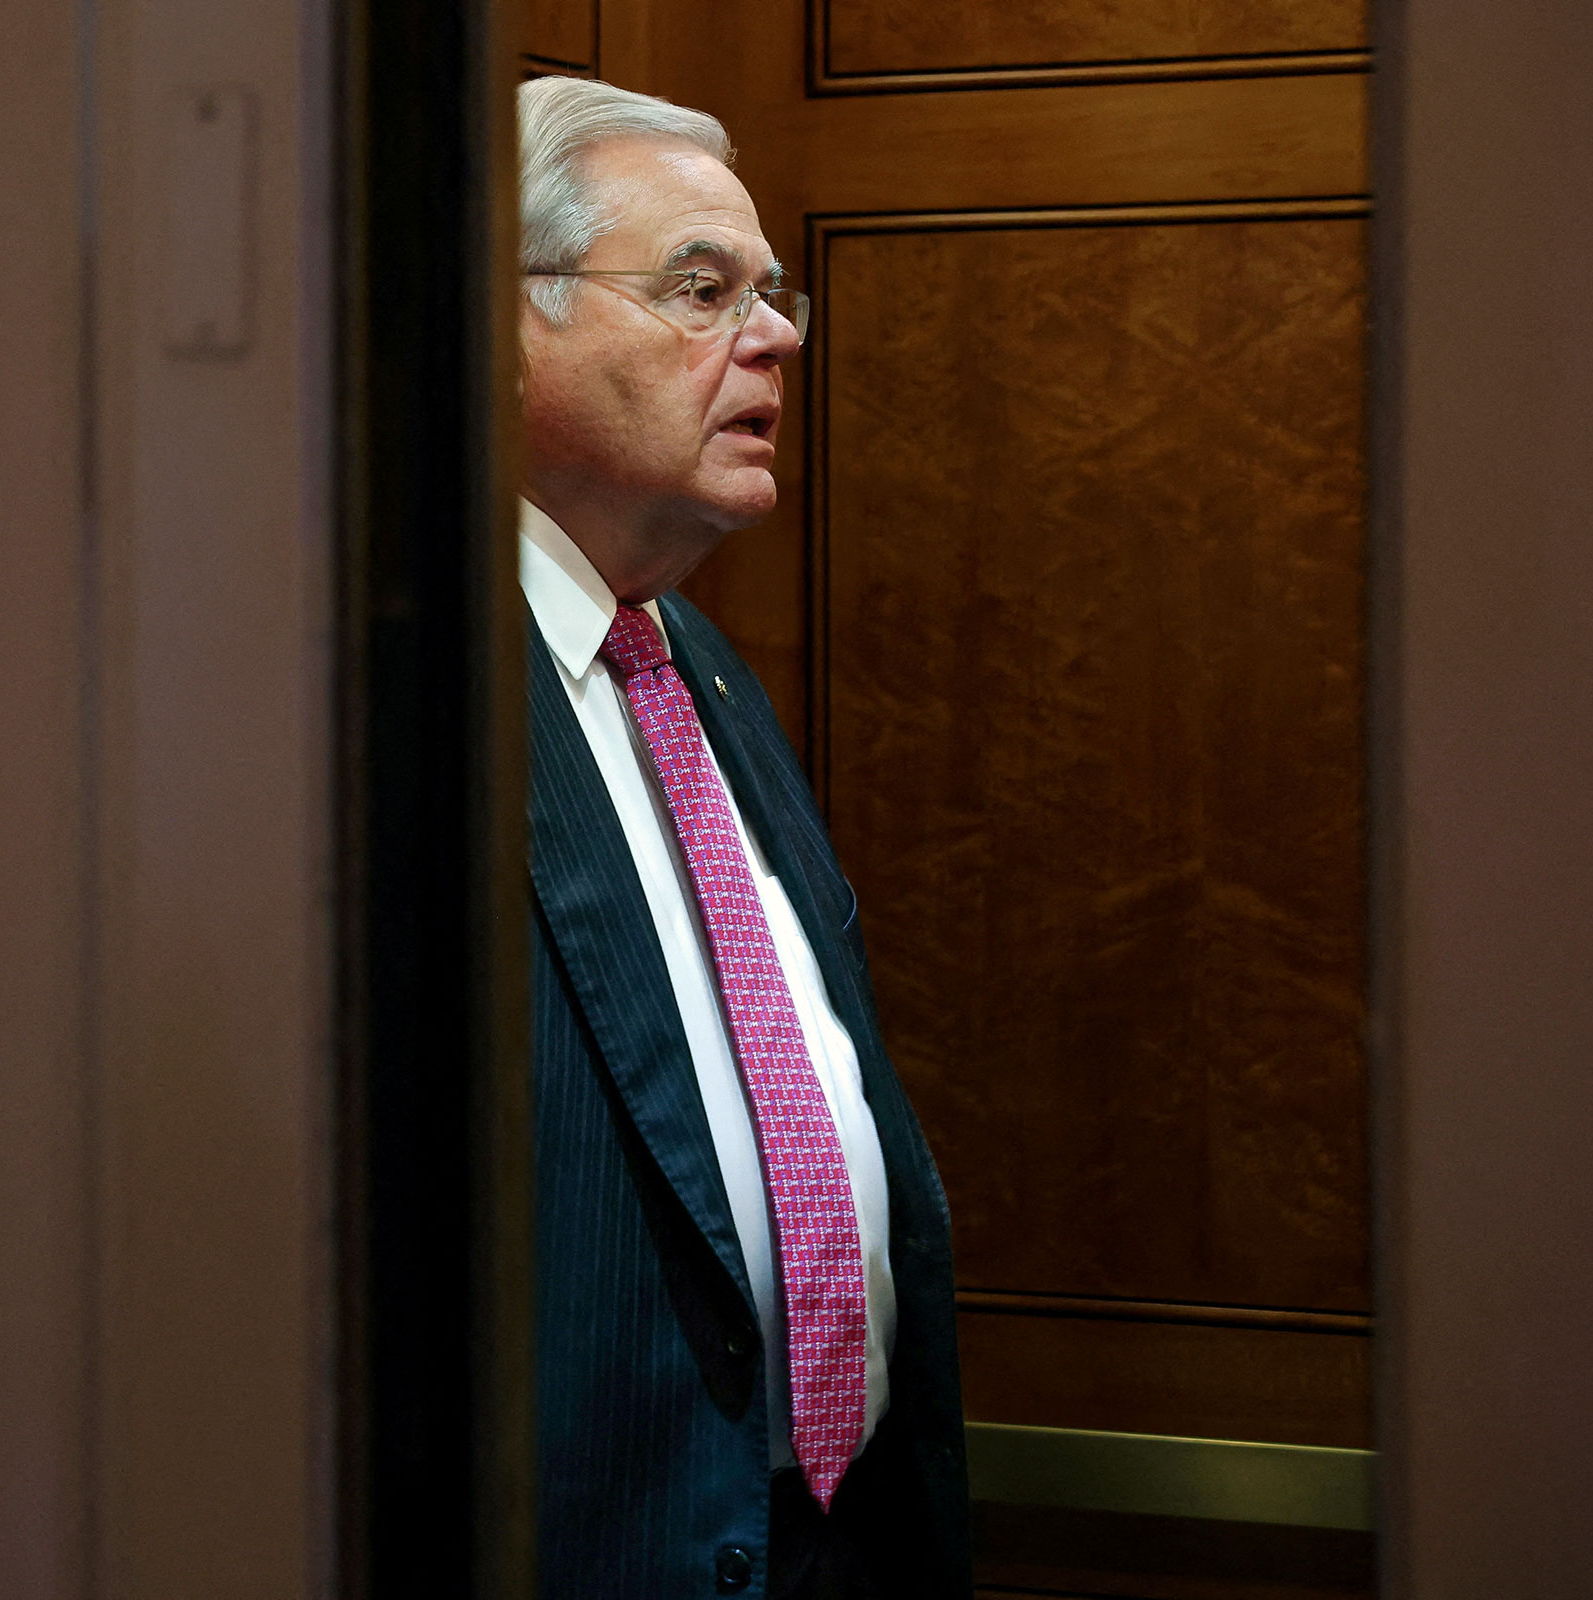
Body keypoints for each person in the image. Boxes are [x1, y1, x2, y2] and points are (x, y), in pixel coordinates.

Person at [519, 76, 973, 1600]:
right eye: (699, 289)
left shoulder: (693, 667)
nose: (773, 333)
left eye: (769, 293)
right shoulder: (400, 702)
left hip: (830, 1537)